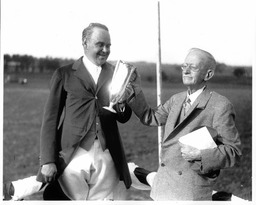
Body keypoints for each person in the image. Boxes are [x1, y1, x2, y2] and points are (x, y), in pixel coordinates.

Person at [4, 22, 134, 201]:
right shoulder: (64, 74)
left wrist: (123, 103)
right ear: (85, 43)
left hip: (107, 155)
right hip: (73, 154)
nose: (105, 50)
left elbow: (124, 116)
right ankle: (14, 192)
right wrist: (48, 160)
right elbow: (50, 120)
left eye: (108, 45)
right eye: (100, 44)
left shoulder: (115, 73)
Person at [126, 48, 242, 200]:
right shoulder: (177, 99)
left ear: (208, 74)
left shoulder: (220, 105)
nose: (186, 71)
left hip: (189, 194)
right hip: (162, 189)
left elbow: (234, 152)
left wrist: (200, 155)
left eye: (192, 67)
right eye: (184, 66)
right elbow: (151, 117)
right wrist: (135, 87)